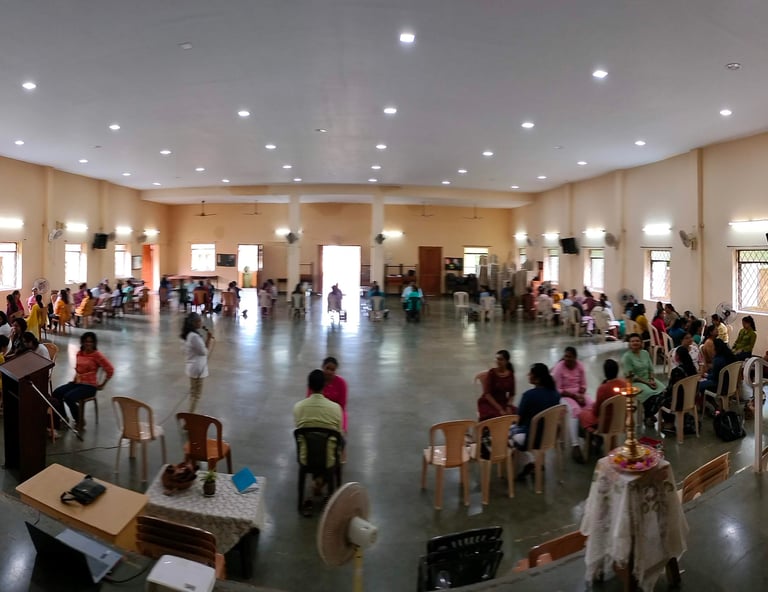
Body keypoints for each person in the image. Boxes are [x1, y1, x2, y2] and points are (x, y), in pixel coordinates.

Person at [294, 369, 343, 516]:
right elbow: (339, 435)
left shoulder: (298, 407)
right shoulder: (336, 409)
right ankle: (326, 486)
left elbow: (299, 429)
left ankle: (312, 488)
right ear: (324, 386)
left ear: (309, 386)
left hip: (306, 459)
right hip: (328, 460)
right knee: (337, 445)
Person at [52, 332, 113, 429]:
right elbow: (78, 369)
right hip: (78, 382)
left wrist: (102, 384)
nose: (88, 344)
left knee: (69, 397)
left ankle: (79, 421)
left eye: (90, 342)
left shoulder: (97, 355)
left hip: (89, 386)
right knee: (56, 393)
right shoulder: (79, 353)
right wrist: (75, 380)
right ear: (82, 342)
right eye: (86, 341)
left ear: (94, 343)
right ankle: (63, 418)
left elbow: (110, 369)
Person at [509, 363, 561, 479]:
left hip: (532, 439)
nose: (528, 375)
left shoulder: (529, 395)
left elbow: (519, 420)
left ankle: (529, 461)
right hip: (549, 437)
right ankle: (535, 461)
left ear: (537, 379)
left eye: (530, 374)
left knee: (509, 432)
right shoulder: (555, 394)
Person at [552, 347, 593, 463]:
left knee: (591, 405)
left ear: (575, 358)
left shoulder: (580, 366)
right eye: (566, 356)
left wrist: (581, 395)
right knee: (575, 410)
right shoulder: (559, 367)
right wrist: (574, 396)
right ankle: (575, 445)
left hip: (579, 394)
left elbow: (583, 384)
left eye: (570, 357)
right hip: (564, 396)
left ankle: (590, 434)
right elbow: (558, 389)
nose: (567, 359)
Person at [621, 333, 666, 424]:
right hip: (635, 382)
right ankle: (648, 415)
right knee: (650, 394)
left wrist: (652, 380)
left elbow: (651, 369)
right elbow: (631, 375)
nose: (635, 343)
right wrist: (647, 383)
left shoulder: (645, 353)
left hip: (649, 379)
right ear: (629, 344)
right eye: (632, 341)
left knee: (664, 391)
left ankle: (658, 415)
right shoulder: (626, 357)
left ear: (641, 343)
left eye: (637, 341)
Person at [579, 359, 626, 434]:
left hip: (606, 425)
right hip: (622, 421)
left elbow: (596, 412)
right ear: (617, 370)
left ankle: (594, 434)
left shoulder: (602, 389)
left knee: (582, 414)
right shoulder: (624, 384)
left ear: (605, 372)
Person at [181, 313, 214, 413]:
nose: (201, 322)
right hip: (197, 368)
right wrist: (208, 339)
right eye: (199, 321)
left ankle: (190, 414)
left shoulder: (189, 335)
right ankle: (190, 416)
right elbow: (204, 352)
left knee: (193, 394)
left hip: (193, 367)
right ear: (194, 323)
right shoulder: (194, 337)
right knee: (196, 395)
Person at [307, 357, 349, 432]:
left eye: (332, 370)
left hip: (336, 412)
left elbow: (342, 406)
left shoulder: (341, 383)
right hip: (318, 411)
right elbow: (310, 399)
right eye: (327, 368)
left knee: (340, 431)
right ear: (322, 367)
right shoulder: (316, 380)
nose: (329, 372)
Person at [477, 350, 516, 421]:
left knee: (515, 415)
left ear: (506, 361)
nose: (498, 361)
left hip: (503, 401)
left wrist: (508, 406)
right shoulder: (492, 373)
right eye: (497, 359)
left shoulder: (510, 375)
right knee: (496, 418)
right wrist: (500, 409)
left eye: (501, 359)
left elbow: (512, 394)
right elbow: (487, 394)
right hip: (489, 402)